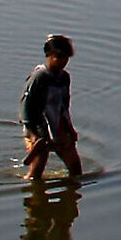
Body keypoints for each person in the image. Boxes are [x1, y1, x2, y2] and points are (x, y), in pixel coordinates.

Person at [21, 34, 82, 180]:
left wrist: (70, 129)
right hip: (38, 129)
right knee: (35, 176)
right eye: (59, 57)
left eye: (66, 57)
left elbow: (64, 107)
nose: (63, 61)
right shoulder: (39, 77)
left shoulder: (64, 78)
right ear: (49, 56)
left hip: (58, 127)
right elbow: (26, 108)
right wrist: (35, 134)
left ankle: (69, 198)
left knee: (76, 169)